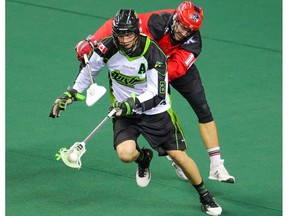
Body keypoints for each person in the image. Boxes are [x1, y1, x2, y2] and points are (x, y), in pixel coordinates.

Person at [49, 9, 222, 215]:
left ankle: (204, 195)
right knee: (125, 154)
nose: (124, 39)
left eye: (128, 34)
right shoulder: (107, 47)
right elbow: (90, 71)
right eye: (120, 34)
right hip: (124, 112)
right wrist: (71, 94)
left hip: (155, 111)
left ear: (138, 31)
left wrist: (132, 103)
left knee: (179, 157)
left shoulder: (154, 53)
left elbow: (156, 94)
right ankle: (144, 158)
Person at [74, 1, 235, 183]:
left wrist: (151, 70)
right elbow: (119, 23)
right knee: (158, 108)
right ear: (175, 18)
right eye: (181, 26)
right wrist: (92, 41)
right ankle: (173, 156)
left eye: (189, 30)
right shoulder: (157, 22)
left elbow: (176, 68)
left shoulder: (193, 43)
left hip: (171, 68)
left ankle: (216, 165)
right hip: (149, 65)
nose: (183, 32)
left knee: (203, 109)